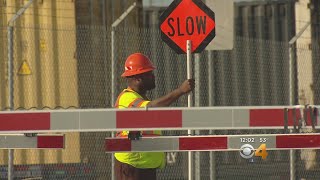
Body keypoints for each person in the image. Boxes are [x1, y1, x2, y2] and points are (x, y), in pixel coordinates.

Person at [114, 53, 195, 180]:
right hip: (132, 167)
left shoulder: (140, 98)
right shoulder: (127, 98)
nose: (153, 77)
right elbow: (150, 108)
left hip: (144, 166)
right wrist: (180, 91)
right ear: (138, 78)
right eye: (149, 74)